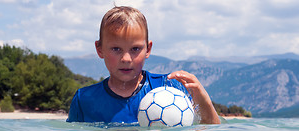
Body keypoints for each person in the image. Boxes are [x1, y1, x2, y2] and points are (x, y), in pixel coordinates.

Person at [67, 6, 220, 124]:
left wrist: (202, 97)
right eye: (116, 49)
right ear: (100, 49)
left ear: (148, 49)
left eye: (135, 49)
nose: (126, 58)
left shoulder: (168, 89)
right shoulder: (85, 100)